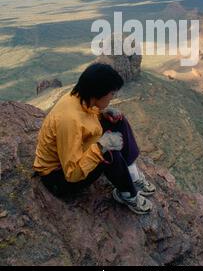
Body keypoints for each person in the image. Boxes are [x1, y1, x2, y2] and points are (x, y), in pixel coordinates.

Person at [33, 63, 155, 214]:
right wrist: (100, 147)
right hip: (58, 178)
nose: (113, 97)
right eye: (111, 93)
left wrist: (101, 114)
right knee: (109, 153)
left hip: (71, 155)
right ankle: (128, 195)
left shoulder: (79, 97)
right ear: (98, 93)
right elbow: (72, 174)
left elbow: (86, 118)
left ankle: (130, 172)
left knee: (118, 120)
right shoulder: (69, 120)